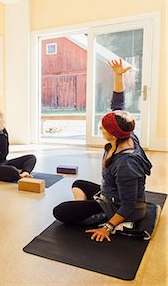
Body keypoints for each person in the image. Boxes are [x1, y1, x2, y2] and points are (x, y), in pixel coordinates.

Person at [53, 59, 152, 242]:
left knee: (60, 212)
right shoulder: (127, 134)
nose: (101, 128)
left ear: (113, 134)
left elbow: (129, 204)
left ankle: (107, 220)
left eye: (103, 127)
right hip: (109, 196)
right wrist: (118, 75)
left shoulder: (126, 163)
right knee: (79, 184)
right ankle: (89, 211)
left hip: (123, 208)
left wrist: (107, 228)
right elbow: (118, 105)